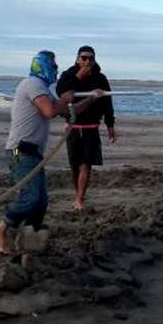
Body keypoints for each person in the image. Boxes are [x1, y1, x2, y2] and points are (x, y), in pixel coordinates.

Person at [0, 50, 103, 255]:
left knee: (41, 201)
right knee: (31, 197)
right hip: (19, 151)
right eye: (54, 65)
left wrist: (92, 99)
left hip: (33, 153)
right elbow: (50, 111)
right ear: (44, 65)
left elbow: (67, 111)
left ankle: (29, 242)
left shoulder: (44, 91)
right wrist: (66, 96)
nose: (57, 70)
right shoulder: (32, 84)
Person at [55, 45, 116, 211]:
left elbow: (107, 103)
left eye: (91, 58)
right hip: (72, 126)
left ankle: (80, 197)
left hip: (91, 126)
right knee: (75, 164)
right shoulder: (68, 75)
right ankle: (77, 195)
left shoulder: (101, 78)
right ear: (77, 59)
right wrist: (79, 77)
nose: (87, 61)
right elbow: (61, 92)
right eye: (84, 58)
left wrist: (110, 124)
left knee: (86, 163)